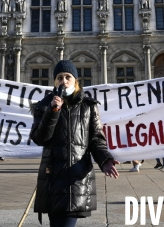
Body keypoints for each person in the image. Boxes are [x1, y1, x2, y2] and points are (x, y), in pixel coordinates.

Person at [30, 60, 119, 226]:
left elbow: (96, 139)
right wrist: (53, 111)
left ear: (75, 80)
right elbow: (39, 138)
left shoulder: (88, 106)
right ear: (54, 81)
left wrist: (105, 159)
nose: (63, 81)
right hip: (52, 179)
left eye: (67, 77)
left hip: (76, 179)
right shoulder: (44, 106)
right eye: (59, 77)